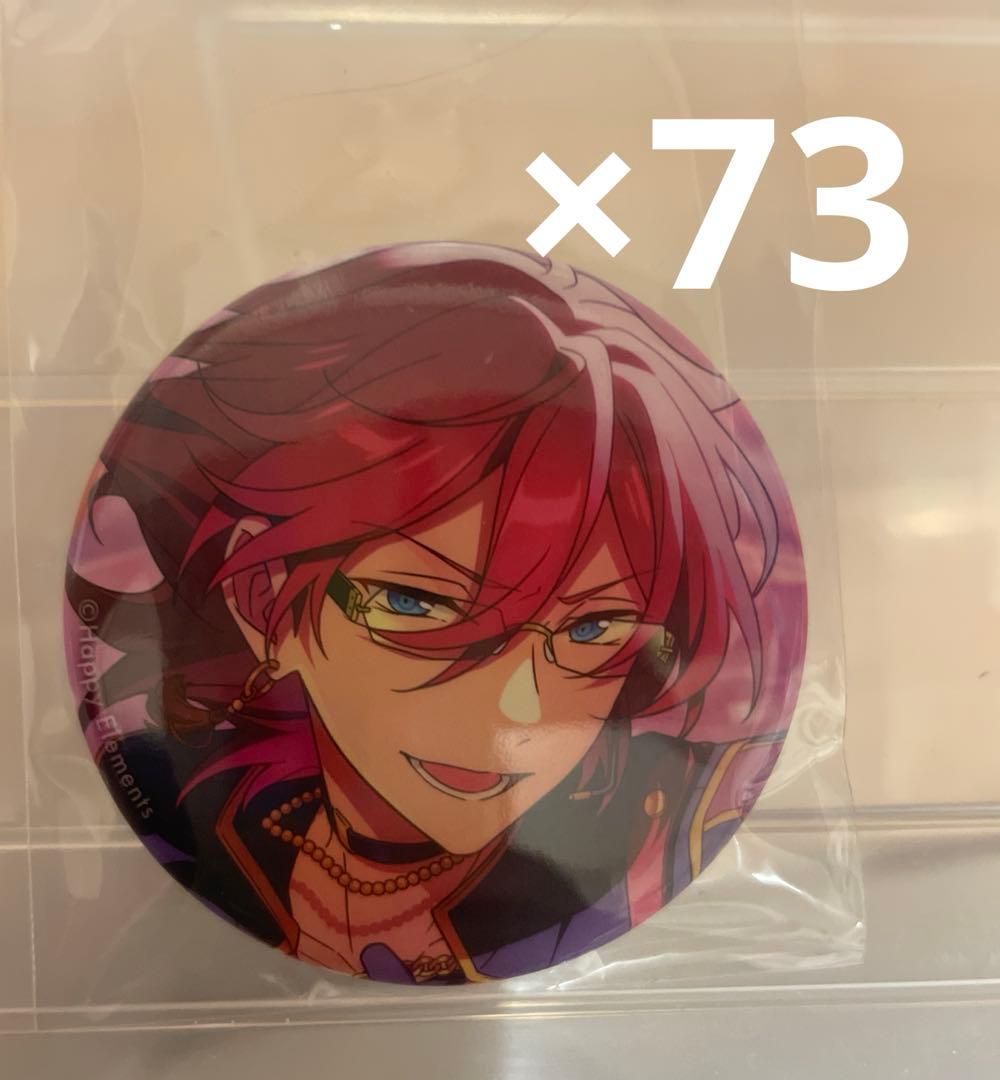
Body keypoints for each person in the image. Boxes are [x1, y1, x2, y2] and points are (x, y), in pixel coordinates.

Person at [65, 242, 806, 983]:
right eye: (419, 605)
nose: (516, 710)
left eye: (591, 629)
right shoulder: (209, 811)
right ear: (265, 602)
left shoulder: (663, 835)